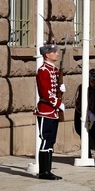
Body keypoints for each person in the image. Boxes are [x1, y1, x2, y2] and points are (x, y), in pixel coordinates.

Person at [34, 43, 65, 180]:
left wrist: (60, 87)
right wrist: (58, 103)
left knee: (51, 141)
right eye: (54, 52)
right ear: (47, 54)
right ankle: (43, 171)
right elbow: (45, 92)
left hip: (53, 111)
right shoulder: (43, 71)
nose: (57, 54)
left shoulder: (53, 70)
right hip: (46, 110)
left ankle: (48, 170)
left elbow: (54, 89)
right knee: (46, 140)